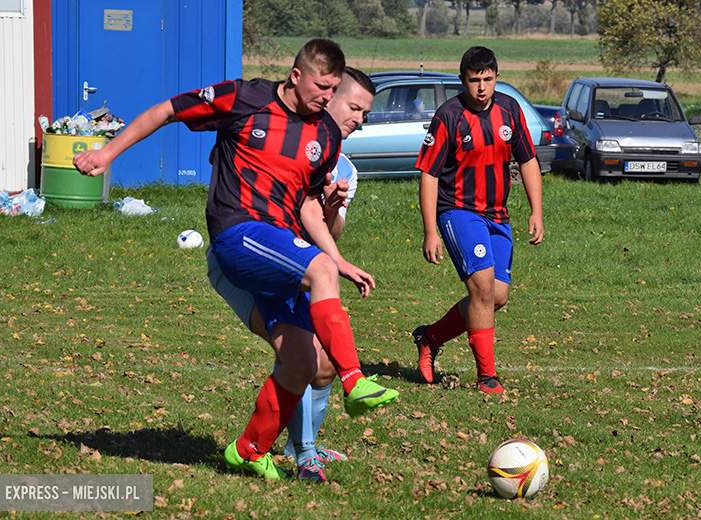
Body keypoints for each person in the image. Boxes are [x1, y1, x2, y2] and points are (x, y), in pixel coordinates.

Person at [73, 39, 398, 480]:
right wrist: (107, 152)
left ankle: (249, 449)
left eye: (333, 88)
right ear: (296, 76)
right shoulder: (245, 98)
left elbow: (306, 204)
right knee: (320, 274)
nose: (327, 97)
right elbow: (167, 110)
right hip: (237, 232)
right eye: (322, 87)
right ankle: (355, 379)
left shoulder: (325, 134)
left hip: (280, 248)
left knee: (306, 362)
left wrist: (337, 255)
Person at [205, 66, 373, 483]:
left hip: (298, 267)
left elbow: (327, 233)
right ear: (328, 95)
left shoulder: (343, 167)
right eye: (353, 107)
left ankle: (292, 448)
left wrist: (329, 207)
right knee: (301, 356)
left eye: (365, 114)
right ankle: (302, 453)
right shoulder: (274, 132)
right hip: (248, 264)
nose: (358, 119)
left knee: (324, 364)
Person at [413, 46, 544, 394]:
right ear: (463, 80)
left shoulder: (510, 109)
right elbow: (429, 174)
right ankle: (487, 378)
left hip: (497, 215)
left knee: (497, 295)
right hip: (458, 211)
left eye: (488, 79)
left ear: (497, 77)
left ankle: (430, 337)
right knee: (482, 288)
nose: (482, 87)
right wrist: (430, 230)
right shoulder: (448, 116)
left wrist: (536, 211)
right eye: (474, 80)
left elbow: (528, 160)